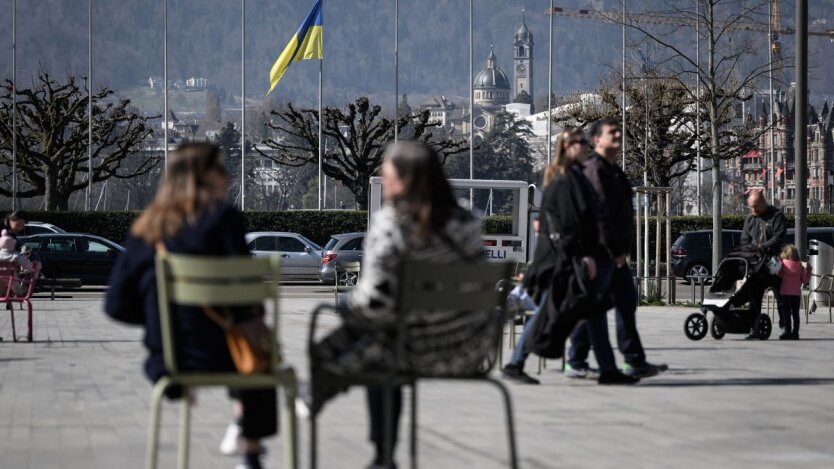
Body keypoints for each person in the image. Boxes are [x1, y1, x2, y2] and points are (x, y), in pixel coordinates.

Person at [306, 141, 490, 469]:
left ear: (405, 180)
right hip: (468, 350)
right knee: (383, 337)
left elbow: (372, 303)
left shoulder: (391, 225)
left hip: (408, 350)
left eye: (386, 172)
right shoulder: (469, 223)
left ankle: (376, 448)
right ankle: (326, 388)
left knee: (375, 345)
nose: (380, 176)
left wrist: (346, 307)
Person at [104, 143, 276, 469]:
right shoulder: (223, 218)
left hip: (170, 358)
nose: (227, 175)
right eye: (221, 169)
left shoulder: (146, 228)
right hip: (227, 354)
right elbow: (244, 297)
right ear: (202, 176)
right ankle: (250, 450)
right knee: (258, 348)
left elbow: (115, 305)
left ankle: (238, 429)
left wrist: (163, 320)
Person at [502, 129, 635, 385]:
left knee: (592, 309)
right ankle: (515, 363)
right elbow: (569, 225)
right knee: (548, 312)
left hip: (564, 258)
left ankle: (608, 369)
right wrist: (584, 257)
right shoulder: (565, 181)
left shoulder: (572, 178)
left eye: (585, 141)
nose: (585, 146)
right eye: (579, 142)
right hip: (562, 261)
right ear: (566, 147)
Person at [566, 117, 667, 379]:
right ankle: (577, 359)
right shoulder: (594, 170)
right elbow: (601, 216)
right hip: (602, 253)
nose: (619, 136)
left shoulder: (613, 170)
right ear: (597, 139)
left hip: (614, 252)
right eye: (612, 132)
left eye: (620, 132)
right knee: (598, 306)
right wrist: (617, 251)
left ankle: (632, 360)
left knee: (624, 302)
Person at [740, 190, 787, 336]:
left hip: (773, 261)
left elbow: (779, 237)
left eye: (756, 206)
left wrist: (763, 247)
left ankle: (785, 326)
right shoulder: (750, 219)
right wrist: (749, 250)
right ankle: (754, 328)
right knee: (754, 297)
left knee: (780, 296)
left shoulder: (776, 216)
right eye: (751, 207)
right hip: (756, 264)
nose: (753, 210)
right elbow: (744, 238)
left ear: (762, 203)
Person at [776, 244, 811, 340]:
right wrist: (809, 271)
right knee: (796, 314)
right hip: (796, 294)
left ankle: (787, 332)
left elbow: (778, 274)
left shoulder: (783, 264)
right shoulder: (799, 266)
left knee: (786, 314)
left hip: (785, 293)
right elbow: (805, 280)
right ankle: (795, 333)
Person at [0, 229, 35, 296]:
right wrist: (31, 269)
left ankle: (7, 298)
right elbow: (28, 266)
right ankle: (15, 295)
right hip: (12, 281)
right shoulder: (16, 255)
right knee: (17, 289)